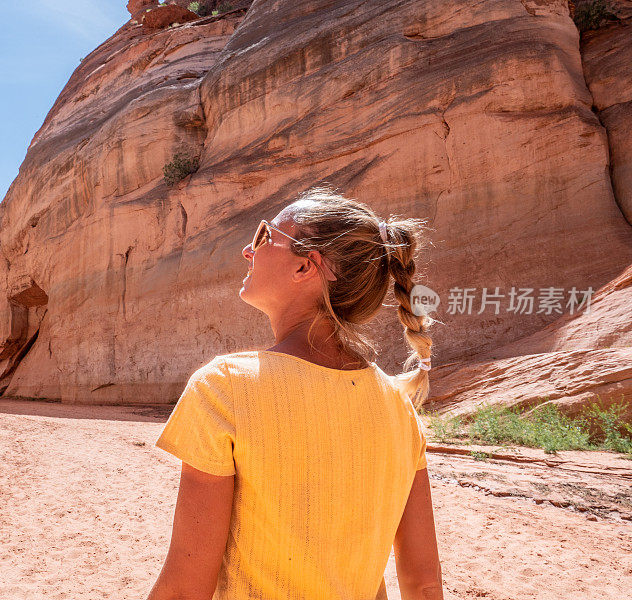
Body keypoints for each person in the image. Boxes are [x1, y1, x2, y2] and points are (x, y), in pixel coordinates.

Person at [146, 186, 444, 600]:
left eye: (263, 236)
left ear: (306, 267)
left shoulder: (225, 388)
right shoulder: (398, 407)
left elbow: (184, 589)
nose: (248, 252)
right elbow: (425, 584)